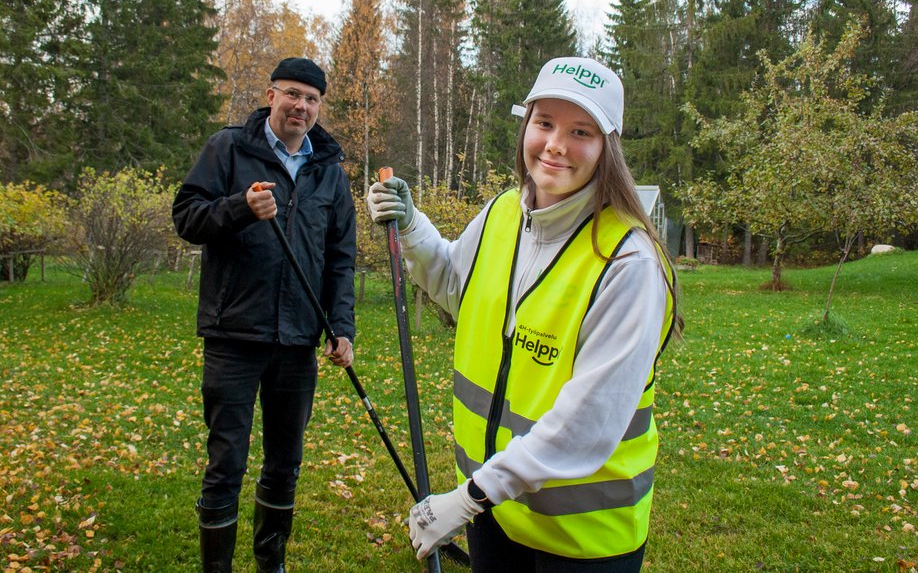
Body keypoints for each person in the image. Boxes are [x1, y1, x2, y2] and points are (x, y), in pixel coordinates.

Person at [366, 57, 680, 572]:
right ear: (525, 126)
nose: (556, 144)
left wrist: (467, 498)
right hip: (498, 511)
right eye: (544, 123)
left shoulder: (628, 262)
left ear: (607, 149)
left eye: (580, 131)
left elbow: (589, 424)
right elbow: (455, 285)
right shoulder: (502, 212)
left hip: (582, 537)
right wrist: (414, 226)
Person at [173, 57, 356, 573]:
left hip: (298, 341)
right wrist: (238, 208)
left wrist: (341, 326)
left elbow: (340, 259)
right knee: (225, 462)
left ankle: (270, 565)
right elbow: (186, 216)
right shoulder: (230, 148)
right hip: (235, 334)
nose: (301, 106)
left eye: (312, 99)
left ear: (319, 107)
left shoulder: (329, 173)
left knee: (285, 463)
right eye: (293, 94)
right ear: (270, 94)